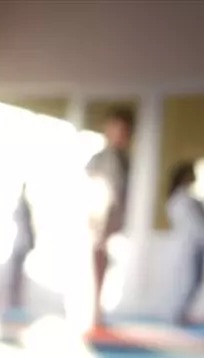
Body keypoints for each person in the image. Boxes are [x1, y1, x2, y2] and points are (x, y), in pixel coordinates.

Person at [84, 106, 133, 329]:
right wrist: (98, 225)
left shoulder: (128, 161)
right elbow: (97, 195)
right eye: (117, 129)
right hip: (99, 225)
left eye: (125, 131)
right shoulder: (98, 161)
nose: (121, 135)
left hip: (118, 227)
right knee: (95, 269)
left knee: (111, 272)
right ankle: (93, 314)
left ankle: (100, 313)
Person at [165, 161, 204, 326]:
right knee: (189, 282)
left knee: (195, 281)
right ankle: (178, 314)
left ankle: (182, 314)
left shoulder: (188, 198)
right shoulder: (183, 200)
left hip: (194, 245)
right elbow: (196, 224)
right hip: (190, 245)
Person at [3, 181, 35, 315]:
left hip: (22, 244)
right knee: (14, 278)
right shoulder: (20, 206)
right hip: (19, 244)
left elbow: (28, 227)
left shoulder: (24, 207)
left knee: (17, 278)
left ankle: (15, 306)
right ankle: (12, 305)